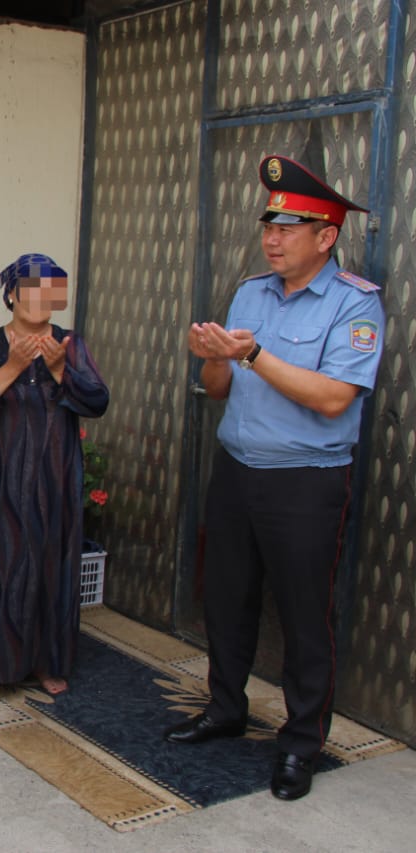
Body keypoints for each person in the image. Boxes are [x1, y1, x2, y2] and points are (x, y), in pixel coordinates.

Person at [164, 154, 384, 802]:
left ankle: (300, 744)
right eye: (269, 226)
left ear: (326, 236)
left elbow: (334, 398)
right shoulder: (250, 292)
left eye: (289, 228)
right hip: (237, 471)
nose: (273, 238)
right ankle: (225, 708)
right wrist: (212, 359)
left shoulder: (355, 304)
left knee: (303, 614)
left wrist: (254, 353)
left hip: (305, 483)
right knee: (227, 598)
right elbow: (218, 389)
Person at [0, 254, 109, 696]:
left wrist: (59, 370)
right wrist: (11, 369)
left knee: (50, 561)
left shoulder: (70, 344)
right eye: (31, 289)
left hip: (54, 477)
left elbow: (98, 401)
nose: (40, 299)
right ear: (11, 295)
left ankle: (48, 661)